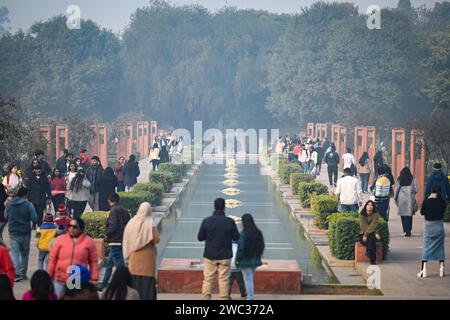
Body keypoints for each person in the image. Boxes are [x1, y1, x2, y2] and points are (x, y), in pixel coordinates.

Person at [197, 198, 240, 300]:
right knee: (224, 279)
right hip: (225, 255)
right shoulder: (230, 222)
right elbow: (236, 237)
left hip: (210, 255)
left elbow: (200, 237)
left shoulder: (207, 221)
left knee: (208, 279)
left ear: (214, 206)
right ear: (224, 207)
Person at [48, 218, 99, 298]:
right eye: (69, 226)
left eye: (75, 227)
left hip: (77, 280)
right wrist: (49, 276)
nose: (71, 229)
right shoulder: (60, 240)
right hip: (60, 279)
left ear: (81, 229)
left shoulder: (88, 242)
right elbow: (52, 259)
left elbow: (93, 262)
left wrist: (94, 278)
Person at [123, 202, 160, 300]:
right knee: (147, 286)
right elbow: (156, 239)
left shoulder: (131, 222)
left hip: (134, 259)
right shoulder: (150, 222)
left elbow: (126, 238)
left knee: (135, 283)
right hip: (147, 261)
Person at [98, 193, 130, 292]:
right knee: (109, 264)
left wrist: (107, 234)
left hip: (115, 239)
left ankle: (126, 283)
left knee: (120, 265)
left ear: (110, 200)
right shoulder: (124, 209)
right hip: (122, 239)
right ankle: (103, 284)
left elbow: (113, 225)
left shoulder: (113, 210)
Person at [5, 187, 37, 282]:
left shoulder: (9, 204)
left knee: (15, 253)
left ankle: (16, 273)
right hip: (25, 232)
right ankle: (23, 273)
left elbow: (5, 216)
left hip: (13, 232)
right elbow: (34, 218)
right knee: (24, 254)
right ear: (25, 195)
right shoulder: (29, 204)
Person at [417, 185, 447, 278]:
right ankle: (441, 269)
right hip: (439, 226)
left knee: (426, 247)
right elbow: (443, 211)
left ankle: (424, 270)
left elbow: (422, 212)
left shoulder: (426, 200)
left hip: (428, 226)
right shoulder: (442, 201)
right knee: (440, 247)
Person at [236, 214, 264, 301]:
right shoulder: (258, 232)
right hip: (255, 260)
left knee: (248, 279)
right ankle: (250, 297)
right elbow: (262, 246)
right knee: (249, 278)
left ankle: (250, 298)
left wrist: (237, 259)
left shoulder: (243, 234)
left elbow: (240, 248)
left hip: (245, 261)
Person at [395, 167, 418, 237]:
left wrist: (395, 197)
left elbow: (397, 189)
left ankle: (405, 230)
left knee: (403, 215)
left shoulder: (399, 179)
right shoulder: (412, 179)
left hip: (401, 198)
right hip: (410, 199)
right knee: (409, 215)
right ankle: (409, 230)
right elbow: (416, 189)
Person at [359, 200, 381, 265]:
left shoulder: (375, 215)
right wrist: (366, 235)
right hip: (363, 234)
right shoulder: (362, 215)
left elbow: (373, 225)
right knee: (372, 240)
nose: (370, 206)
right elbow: (364, 226)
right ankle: (372, 260)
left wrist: (368, 234)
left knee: (371, 239)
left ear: (373, 207)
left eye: (371, 205)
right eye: (368, 204)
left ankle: (369, 252)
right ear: (365, 206)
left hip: (369, 234)